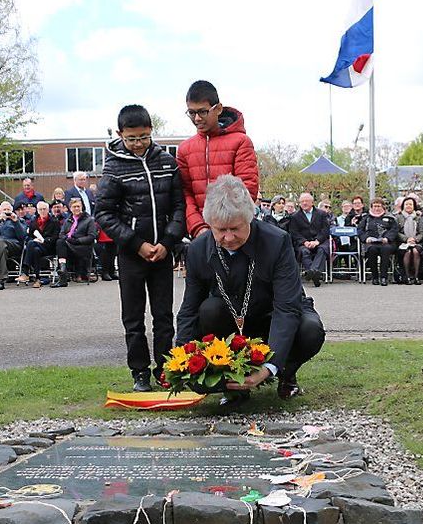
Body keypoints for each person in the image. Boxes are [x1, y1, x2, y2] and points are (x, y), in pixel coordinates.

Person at [176, 174, 325, 403]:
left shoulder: (277, 242)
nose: (228, 237)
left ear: (250, 218)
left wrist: (268, 366)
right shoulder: (197, 250)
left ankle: (285, 372)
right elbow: (189, 308)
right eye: (220, 230)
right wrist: (183, 360)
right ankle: (232, 384)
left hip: (272, 314)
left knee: (310, 329)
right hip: (229, 320)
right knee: (209, 310)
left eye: (235, 228)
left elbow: (287, 308)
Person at [94, 104, 186, 392]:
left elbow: (179, 206)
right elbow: (104, 214)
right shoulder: (113, 166)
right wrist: (137, 243)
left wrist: (167, 242)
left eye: (144, 137)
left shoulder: (166, 162)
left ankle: (165, 369)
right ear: (120, 134)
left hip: (163, 251)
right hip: (132, 253)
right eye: (132, 138)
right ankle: (139, 372)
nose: (138, 144)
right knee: (133, 318)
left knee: (164, 316)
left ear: (151, 132)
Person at [176, 80, 258, 237]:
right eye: (191, 113)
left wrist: (224, 229)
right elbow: (185, 193)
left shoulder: (241, 141)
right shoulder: (185, 149)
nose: (197, 118)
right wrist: (198, 226)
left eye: (203, 112)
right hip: (200, 234)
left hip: (233, 233)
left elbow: (247, 189)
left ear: (218, 108)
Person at [287, 192, 330, 287]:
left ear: (312, 202)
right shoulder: (295, 216)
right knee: (304, 251)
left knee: (322, 250)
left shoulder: (322, 214)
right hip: (303, 243)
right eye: (302, 201)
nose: (304, 203)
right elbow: (294, 232)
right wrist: (304, 242)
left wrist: (317, 241)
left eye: (306, 201)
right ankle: (315, 274)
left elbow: (325, 230)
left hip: (320, 241)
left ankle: (312, 272)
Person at [53, 197, 98, 287]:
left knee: (61, 243)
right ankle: (63, 270)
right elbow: (61, 234)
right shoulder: (68, 220)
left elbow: (92, 236)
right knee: (60, 241)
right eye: (74, 207)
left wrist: (77, 240)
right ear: (70, 208)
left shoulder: (89, 220)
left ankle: (63, 270)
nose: (76, 208)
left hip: (82, 247)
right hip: (69, 245)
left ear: (82, 207)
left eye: (78, 206)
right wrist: (67, 238)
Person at [19, 200, 61, 288]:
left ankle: (25, 271)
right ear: (37, 210)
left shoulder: (54, 221)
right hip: (36, 246)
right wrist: (36, 240)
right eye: (40, 209)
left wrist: (44, 240)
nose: (42, 211)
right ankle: (38, 279)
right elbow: (29, 236)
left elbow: (56, 237)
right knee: (35, 249)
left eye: (44, 209)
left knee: (31, 244)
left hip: (49, 247)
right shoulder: (34, 221)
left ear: (48, 210)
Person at [359, 198, 398, 286]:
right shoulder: (366, 218)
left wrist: (387, 238)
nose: (377, 208)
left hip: (386, 242)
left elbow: (394, 230)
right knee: (372, 250)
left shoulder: (390, 217)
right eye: (375, 206)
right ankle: (375, 276)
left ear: (383, 207)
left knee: (386, 249)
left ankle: (384, 277)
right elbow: (360, 230)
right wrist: (366, 238)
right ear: (371, 207)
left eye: (379, 206)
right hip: (371, 243)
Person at [397, 196, 423, 285]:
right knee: (408, 252)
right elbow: (397, 232)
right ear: (403, 206)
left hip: (416, 242)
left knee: (415, 251)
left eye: (410, 204)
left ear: (414, 206)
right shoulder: (398, 217)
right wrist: (406, 239)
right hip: (403, 242)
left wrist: (415, 239)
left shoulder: (419, 218)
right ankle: (407, 276)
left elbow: (422, 232)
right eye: (406, 204)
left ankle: (416, 276)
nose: (408, 206)